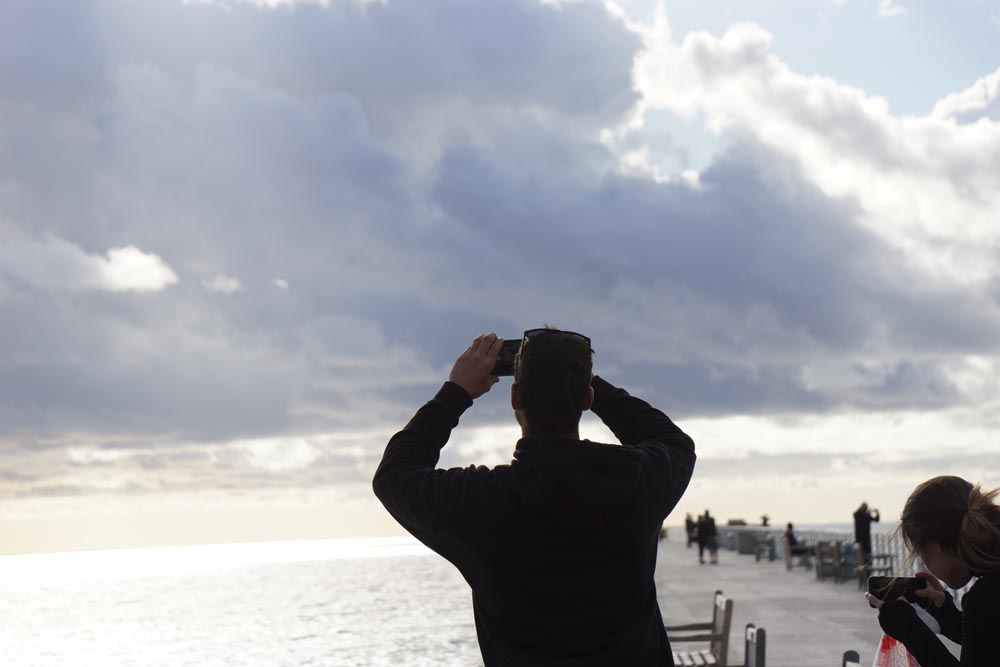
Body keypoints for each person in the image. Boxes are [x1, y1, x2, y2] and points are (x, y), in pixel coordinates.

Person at [372, 330, 697, 667]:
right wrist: (579, 379)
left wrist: (456, 392)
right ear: (586, 399)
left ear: (515, 398)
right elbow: (671, 439)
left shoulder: (481, 500)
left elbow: (395, 475)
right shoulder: (637, 479)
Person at [866, 476, 1000, 666]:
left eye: (921, 553)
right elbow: (990, 646)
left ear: (935, 545)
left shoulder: (986, 596)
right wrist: (949, 618)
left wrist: (908, 629)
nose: (924, 563)